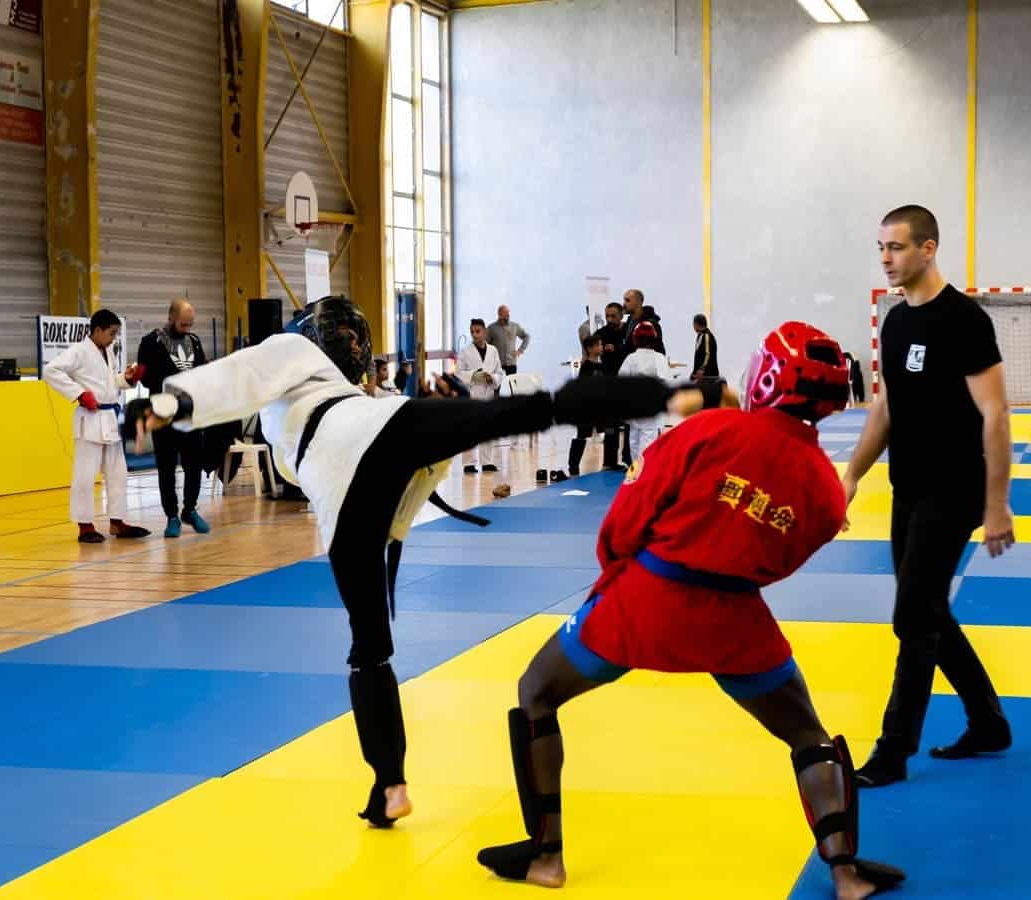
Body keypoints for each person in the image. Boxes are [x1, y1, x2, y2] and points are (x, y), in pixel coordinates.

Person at [122, 295, 706, 831]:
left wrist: (169, 405)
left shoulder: (335, 386)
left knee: (369, 650)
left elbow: (244, 387)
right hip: (376, 448)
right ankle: (674, 397)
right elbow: (240, 376)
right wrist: (171, 402)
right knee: (527, 411)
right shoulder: (294, 350)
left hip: (347, 500)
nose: (350, 347)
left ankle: (389, 785)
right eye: (346, 337)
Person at [476, 321, 905, 900]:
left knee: (536, 690)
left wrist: (614, 581)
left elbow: (628, 516)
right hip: (737, 619)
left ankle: (546, 857)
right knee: (808, 734)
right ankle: (846, 874)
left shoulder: (709, 430)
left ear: (767, 378)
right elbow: (779, 565)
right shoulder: (828, 493)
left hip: (645, 599)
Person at [842, 205, 1014, 789]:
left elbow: (995, 413)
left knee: (912, 615)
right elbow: (885, 408)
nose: (886, 259)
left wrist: (997, 504)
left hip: (956, 489)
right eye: (881, 248)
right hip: (908, 489)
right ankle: (987, 722)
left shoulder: (963, 320)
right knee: (929, 610)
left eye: (896, 247)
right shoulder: (894, 323)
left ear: (928, 248)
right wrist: (851, 475)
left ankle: (893, 751)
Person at [44, 309, 151, 544]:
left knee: (118, 473)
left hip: (109, 419)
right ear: (98, 330)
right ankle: (85, 526)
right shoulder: (79, 351)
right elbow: (50, 370)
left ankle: (117, 521)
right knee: (85, 474)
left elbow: (109, 383)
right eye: (112, 333)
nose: (114, 338)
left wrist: (127, 379)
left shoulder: (107, 351)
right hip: (90, 419)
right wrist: (79, 393)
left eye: (116, 334)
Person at [137, 299, 210, 538]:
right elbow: (145, 379)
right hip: (163, 413)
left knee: (194, 463)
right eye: (183, 324)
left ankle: (190, 509)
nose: (187, 328)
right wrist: (171, 380)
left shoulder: (194, 341)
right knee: (166, 467)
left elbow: (201, 371)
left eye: (190, 324)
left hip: (189, 412)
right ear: (171, 318)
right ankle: (172, 515)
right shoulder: (151, 342)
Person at [617, 322, 675, 461]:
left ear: (635, 339)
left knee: (634, 441)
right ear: (654, 339)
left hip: (634, 407)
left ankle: (636, 469)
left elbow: (620, 383)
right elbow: (667, 383)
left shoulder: (631, 359)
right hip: (652, 407)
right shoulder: (659, 358)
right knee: (648, 443)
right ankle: (644, 470)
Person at [566, 335, 619, 475]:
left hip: (602, 408)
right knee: (582, 435)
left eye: (601, 345)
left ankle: (609, 462)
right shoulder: (586, 367)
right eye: (598, 345)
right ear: (590, 348)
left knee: (610, 431)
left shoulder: (603, 366)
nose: (601, 347)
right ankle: (573, 466)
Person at [459, 318, 505, 474]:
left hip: (488, 393)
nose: (474, 335)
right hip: (472, 395)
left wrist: (493, 378)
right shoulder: (465, 352)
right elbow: (458, 373)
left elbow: (500, 372)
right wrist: (473, 375)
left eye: (477, 331)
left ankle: (487, 462)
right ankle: (469, 463)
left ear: (484, 332)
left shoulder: (493, 351)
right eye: (472, 332)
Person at [486, 305, 530, 376]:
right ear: (499, 314)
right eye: (505, 312)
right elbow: (485, 344)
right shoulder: (491, 328)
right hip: (497, 365)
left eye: (508, 312)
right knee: (496, 383)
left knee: (512, 383)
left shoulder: (515, 326)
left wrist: (520, 351)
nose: (508, 315)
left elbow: (526, 337)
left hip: (511, 364)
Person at [692, 313, 719, 381]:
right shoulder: (700, 335)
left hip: (707, 375)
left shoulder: (707, 336)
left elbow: (708, 354)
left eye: (693, 324)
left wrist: (702, 369)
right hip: (700, 374)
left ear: (696, 324)